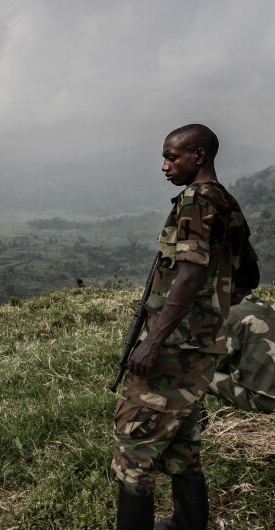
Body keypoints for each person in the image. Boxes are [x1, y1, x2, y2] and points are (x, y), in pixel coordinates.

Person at [111, 124, 258, 530]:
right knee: (182, 445)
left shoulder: (195, 199)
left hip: (173, 346)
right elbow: (250, 273)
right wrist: (213, 314)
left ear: (199, 156)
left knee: (134, 450)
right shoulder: (226, 201)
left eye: (172, 157)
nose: (164, 165)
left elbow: (190, 274)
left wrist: (154, 341)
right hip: (203, 347)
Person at [207, 267, 275, 414]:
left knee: (198, 372)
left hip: (263, 402)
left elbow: (214, 362)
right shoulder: (271, 308)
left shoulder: (234, 314)